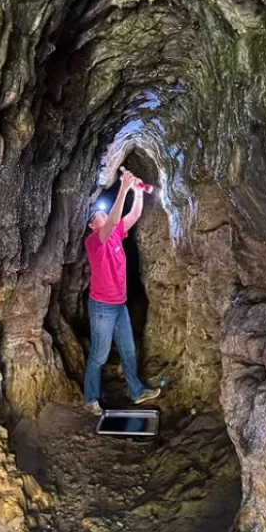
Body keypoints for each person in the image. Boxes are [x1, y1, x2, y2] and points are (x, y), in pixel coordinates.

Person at [83, 169, 160, 415]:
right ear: (92, 224)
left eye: (103, 211)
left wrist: (137, 193)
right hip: (102, 307)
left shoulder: (115, 232)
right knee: (99, 355)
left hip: (119, 304)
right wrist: (124, 187)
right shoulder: (94, 241)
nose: (103, 214)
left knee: (128, 350)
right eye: (98, 214)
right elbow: (114, 220)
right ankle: (91, 398)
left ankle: (136, 392)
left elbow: (133, 214)